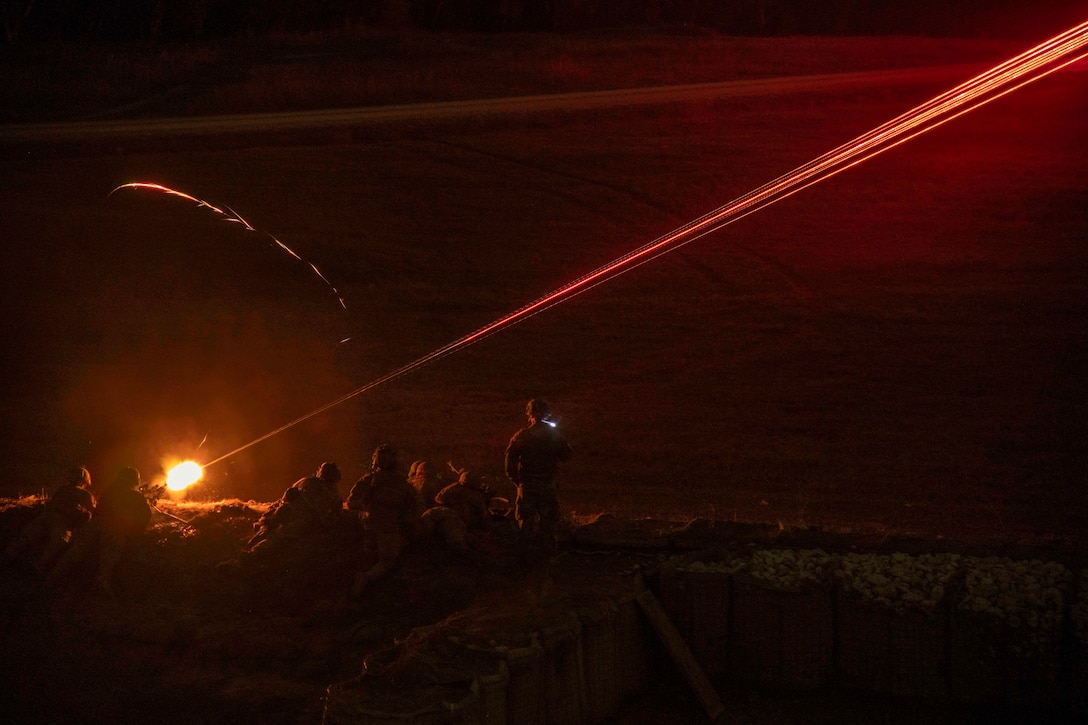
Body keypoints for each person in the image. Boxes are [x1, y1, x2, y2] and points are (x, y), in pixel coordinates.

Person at [48, 467, 152, 594]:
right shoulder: (136, 496)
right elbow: (144, 516)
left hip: (95, 524)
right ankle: (102, 584)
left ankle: (52, 577)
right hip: (114, 527)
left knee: (75, 552)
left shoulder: (110, 490)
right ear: (135, 481)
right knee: (108, 558)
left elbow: (98, 509)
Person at [347, 445, 422, 598]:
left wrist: (366, 508)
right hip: (388, 528)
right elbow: (411, 511)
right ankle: (366, 579)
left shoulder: (368, 480)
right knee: (388, 561)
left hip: (367, 525)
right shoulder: (403, 485)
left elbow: (351, 503)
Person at [504, 399, 572, 559]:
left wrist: (517, 481)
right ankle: (546, 557)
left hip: (527, 485)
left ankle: (525, 558)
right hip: (547, 485)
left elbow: (509, 460)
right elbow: (567, 455)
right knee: (548, 523)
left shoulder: (522, 436)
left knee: (525, 523)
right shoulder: (553, 436)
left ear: (530, 416)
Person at [5, 466, 96, 572]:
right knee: (61, 541)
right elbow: (93, 511)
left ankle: (7, 555)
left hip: (45, 516)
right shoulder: (84, 494)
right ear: (85, 481)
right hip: (60, 520)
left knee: (26, 537)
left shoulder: (61, 489)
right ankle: (39, 565)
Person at [247, 461, 344, 551]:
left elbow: (288, 494)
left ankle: (249, 551)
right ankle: (252, 552)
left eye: (321, 468)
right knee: (275, 537)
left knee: (269, 531)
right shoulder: (335, 495)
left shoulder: (308, 481)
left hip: (292, 514)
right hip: (303, 521)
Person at [422, 467, 495, 554]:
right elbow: (484, 516)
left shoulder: (452, 487)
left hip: (446, 519)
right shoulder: (476, 495)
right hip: (462, 523)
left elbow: (438, 499)